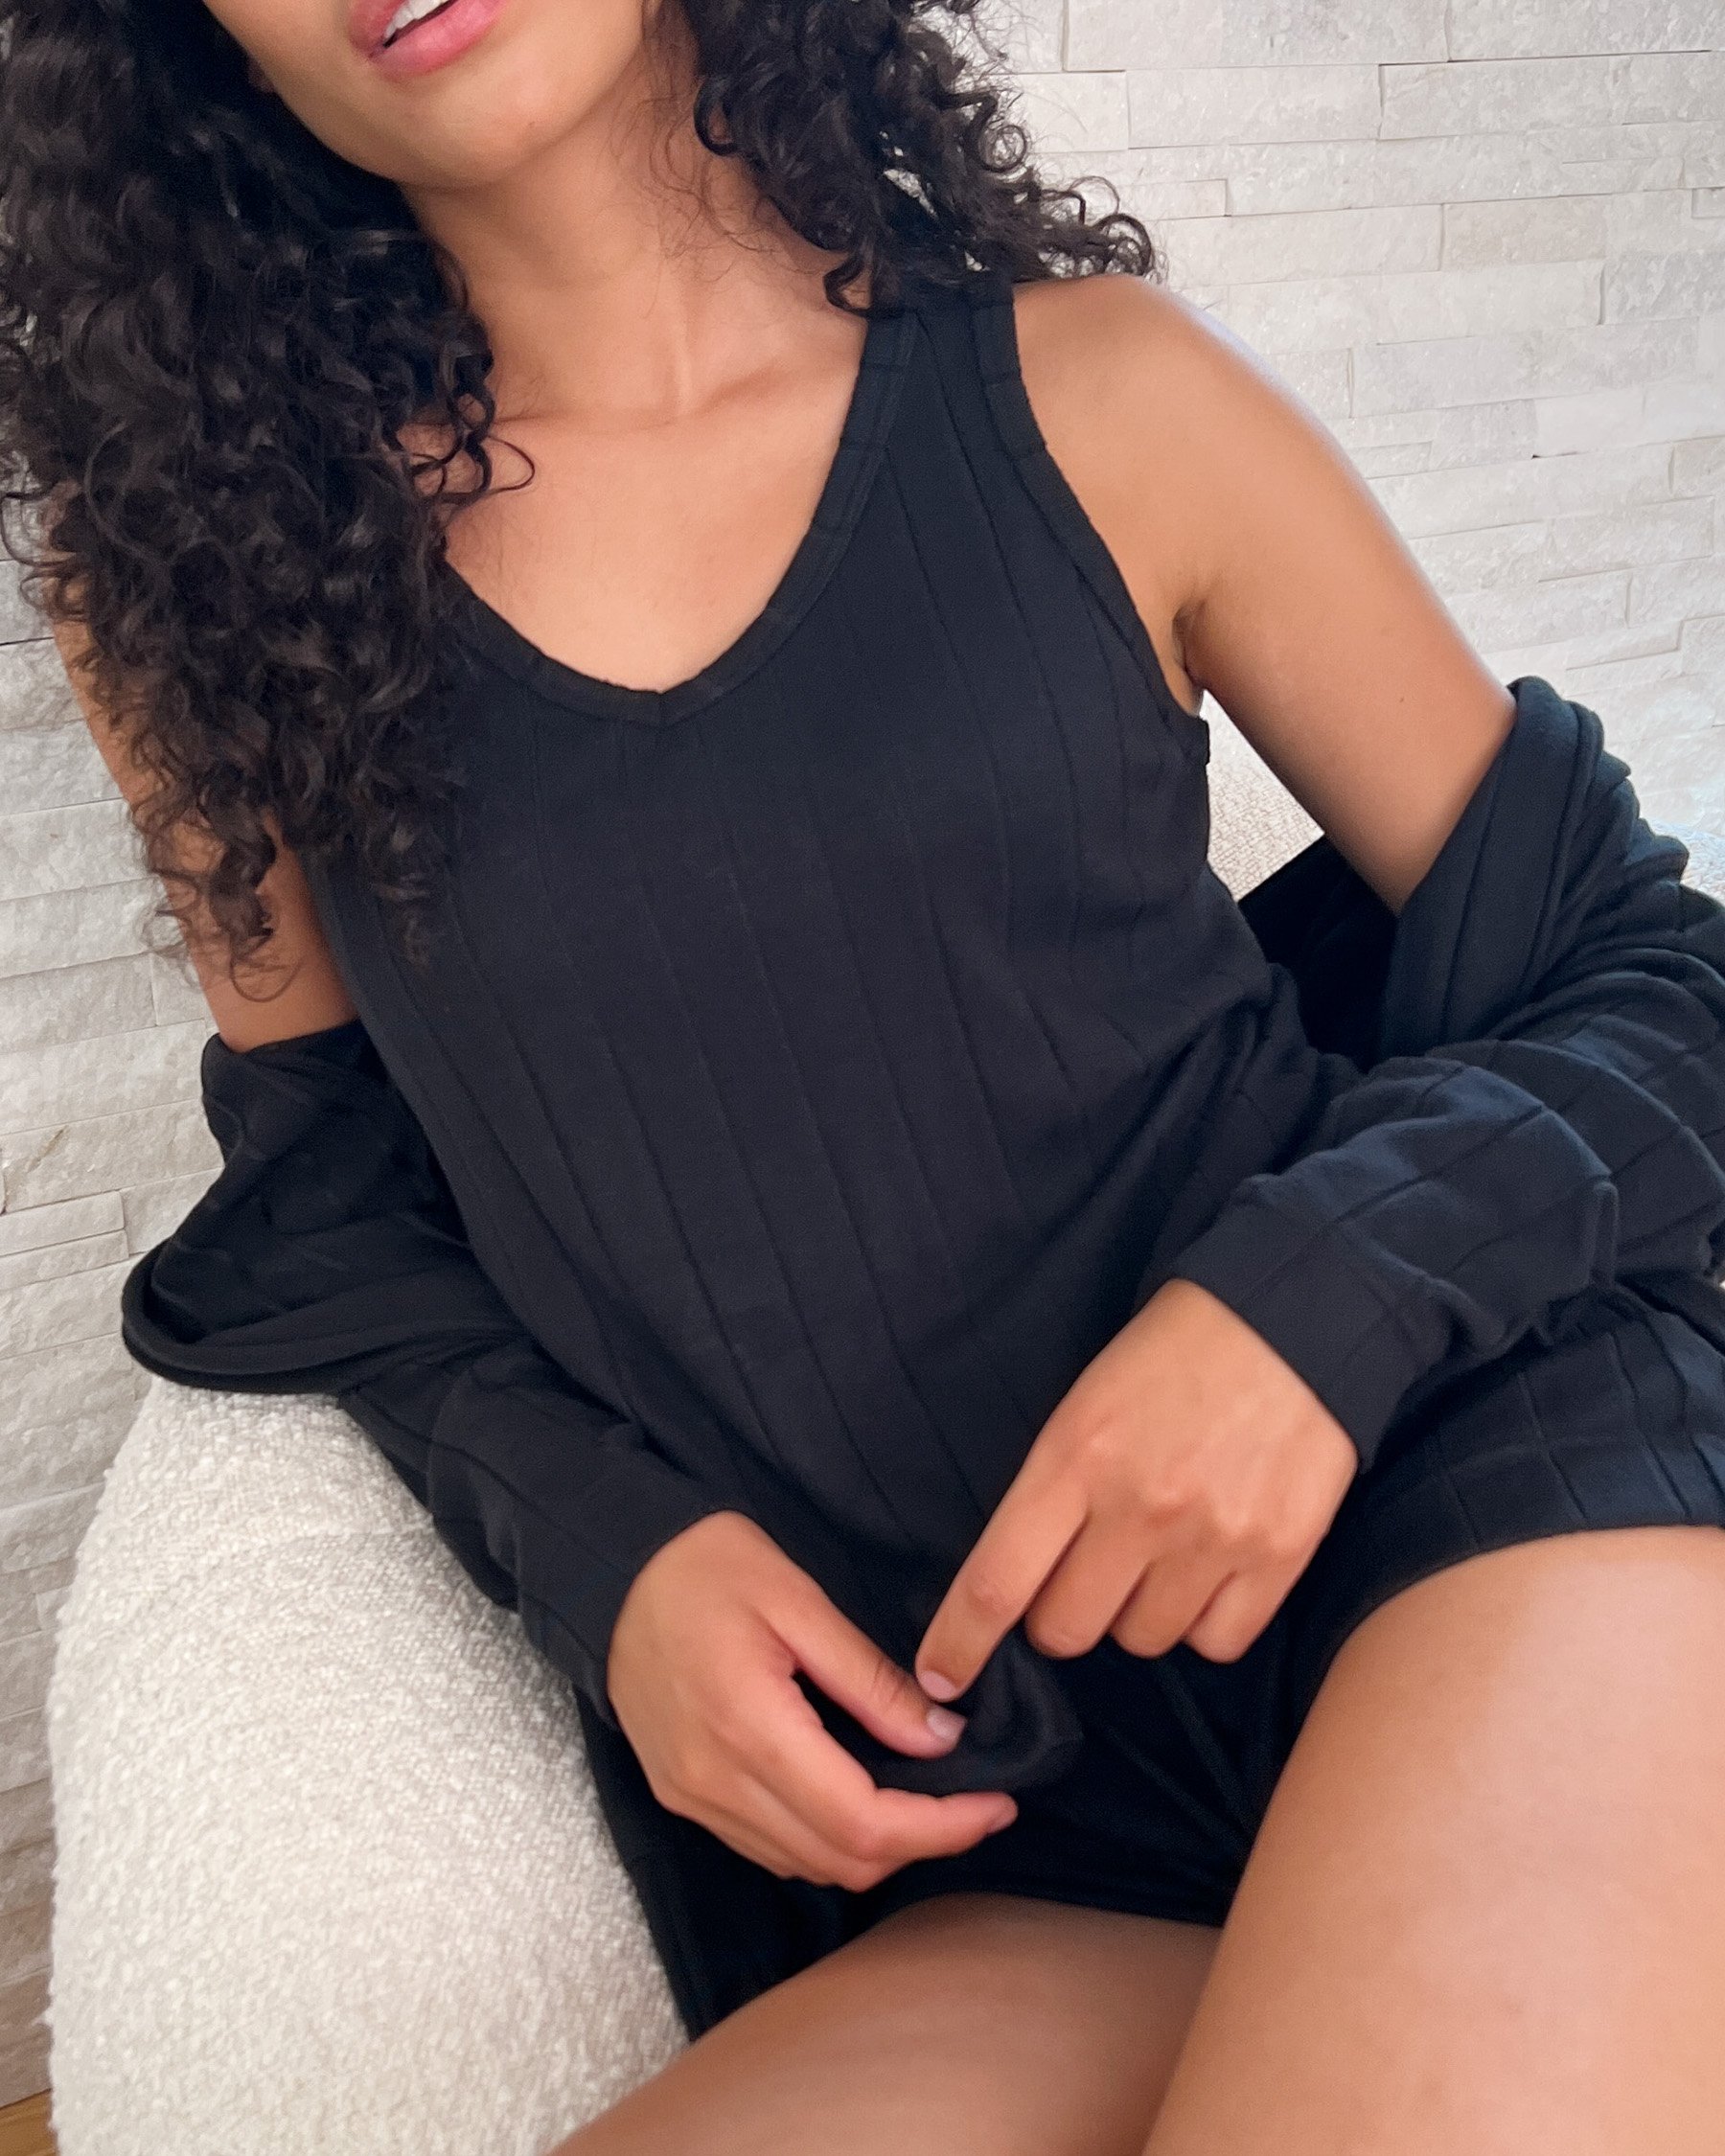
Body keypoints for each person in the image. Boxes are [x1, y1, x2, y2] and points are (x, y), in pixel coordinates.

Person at [6, 2, 1725, 2149]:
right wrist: (606, 1551)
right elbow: (326, 1197)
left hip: (1455, 1514)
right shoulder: (213, 591)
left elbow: (1650, 966)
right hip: (974, 1798)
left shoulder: (1107, 398)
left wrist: (1319, 1298)